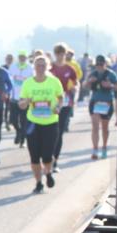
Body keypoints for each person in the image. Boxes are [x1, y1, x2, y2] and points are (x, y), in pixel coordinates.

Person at [19, 54, 64, 193]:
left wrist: (58, 107)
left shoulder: (54, 82)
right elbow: (21, 104)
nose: (40, 67)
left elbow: (60, 98)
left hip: (50, 122)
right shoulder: (28, 83)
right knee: (34, 156)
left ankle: (48, 172)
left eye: (43, 65)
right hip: (33, 123)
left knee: (47, 156)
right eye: (38, 65)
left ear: (48, 66)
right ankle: (38, 183)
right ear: (34, 67)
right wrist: (26, 102)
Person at [85, 55, 117, 159]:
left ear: (105, 64)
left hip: (106, 103)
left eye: (101, 64)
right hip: (95, 102)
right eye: (97, 64)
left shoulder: (111, 74)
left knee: (105, 128)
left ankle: (104, 147)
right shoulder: (93, 74)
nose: (99, 66)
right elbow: (84, 86)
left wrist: (110, 85)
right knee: (95, 127)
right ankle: (95, 149)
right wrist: (89, 82)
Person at [50, 43, 78, 172]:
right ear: (55, 54)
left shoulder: (70, 69)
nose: (60, 56)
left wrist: (75, 89)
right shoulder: (50, 68)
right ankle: (47, 157)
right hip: (51, 102)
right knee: (50, 131)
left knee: (59, 132)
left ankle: (55, 161)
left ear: (65, 54)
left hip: (66, 102)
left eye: (62, 54)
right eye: (58, 53)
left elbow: (76, 83)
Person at [7, 51, 33, 147]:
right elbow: (8, 80)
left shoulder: (30, 68)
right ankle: (18, 131)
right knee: (13, 120)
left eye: (24, 57)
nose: (22, 58)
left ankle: (22, 140)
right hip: (14, 98)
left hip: (24, 98)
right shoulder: (13, 67)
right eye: (21, 56)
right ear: (18, 57)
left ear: (26, 58)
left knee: (23, 121)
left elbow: (32, 82)